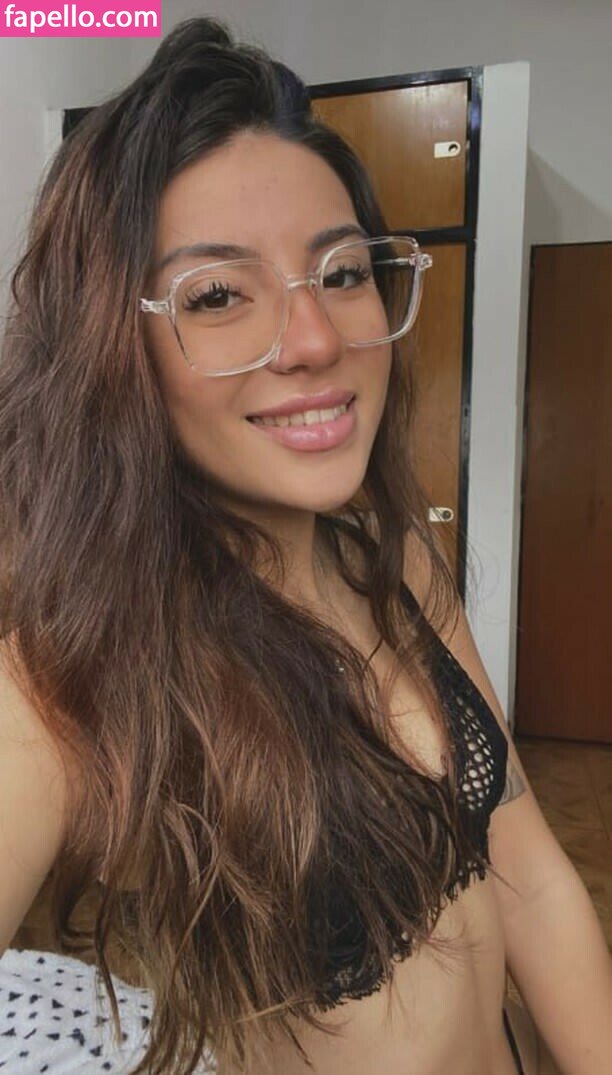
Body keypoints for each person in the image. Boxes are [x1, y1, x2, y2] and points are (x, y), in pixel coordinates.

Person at [0, 15, 610, 1075]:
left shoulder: (392, 559)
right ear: (111, 348)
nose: (320, 340)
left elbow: (531, 874)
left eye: (341, 272)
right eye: (217, 295)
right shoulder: (73, 670)